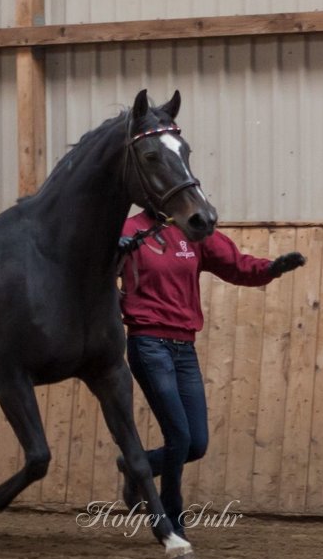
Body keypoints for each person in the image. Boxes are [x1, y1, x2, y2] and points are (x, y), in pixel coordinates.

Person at [115, 209, 306, 538]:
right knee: (179, 437)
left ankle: (136, 465)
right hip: (148, 343)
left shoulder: (190, 229)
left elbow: (235, 264)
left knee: (196, 444)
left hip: (184, 347)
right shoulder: (128, 229)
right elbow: (93, 271)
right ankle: (171, 522)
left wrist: (271, 269)